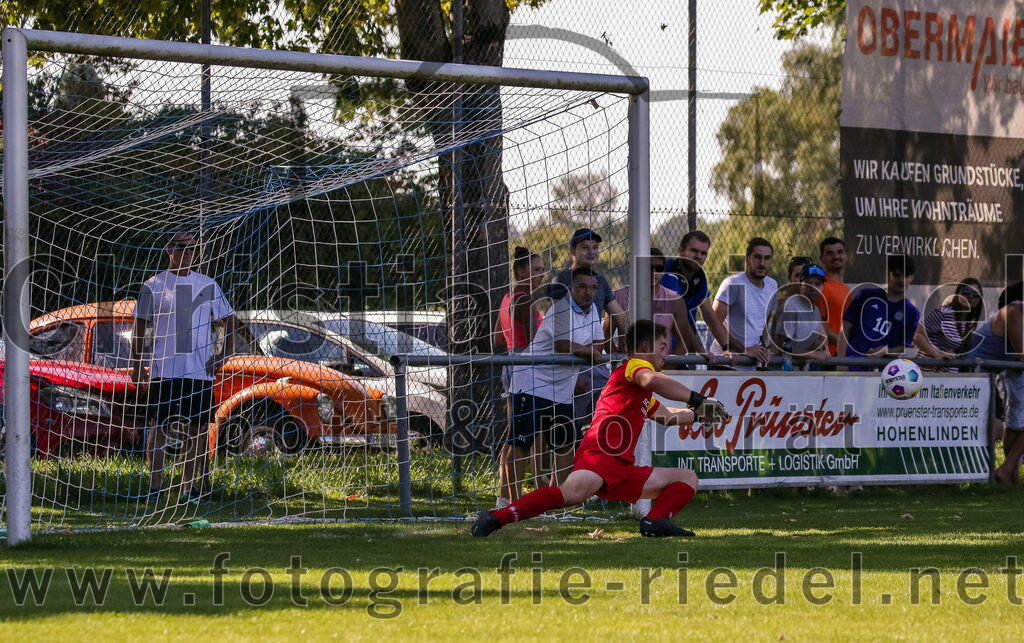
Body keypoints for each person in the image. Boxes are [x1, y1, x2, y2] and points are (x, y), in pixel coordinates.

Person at [472, 320, 730, 538]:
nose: (667, 354)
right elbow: (651, 379)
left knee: (687, 478)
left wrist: (698, 415)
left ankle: (655, 521)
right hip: (601, 454)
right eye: (663, 347)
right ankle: (496, 518)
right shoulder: (635, 367)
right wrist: (697, 399)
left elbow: (666, 415)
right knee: (570, 494)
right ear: (645, 347)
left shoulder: (640, 389)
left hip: (621, 467)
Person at [130, 231, 239, 504]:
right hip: (163, 371)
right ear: (169, 250)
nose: (187, 252)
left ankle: (188, 490)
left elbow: (231, 320)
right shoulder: (153, 285)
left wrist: (223, 354)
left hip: (199, 372)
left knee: (197, 430)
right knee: (158, 429)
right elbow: (139, 328)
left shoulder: (207, 285)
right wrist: (136, 365)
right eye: (181, 247)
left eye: (191, 248)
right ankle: (155, 488)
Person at [502, 268, 608, 503]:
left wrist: (591, 350)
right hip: (532, 383)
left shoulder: (591, 313)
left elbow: (600, 342)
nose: (587, 292)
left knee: (564, 447)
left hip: (561, 390)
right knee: (520, 444)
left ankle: (552, 502)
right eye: (582, 286)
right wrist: (588, 351)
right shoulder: (561, 309)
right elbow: (563, 346)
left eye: (592, 288)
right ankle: (514, 503)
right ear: (571, 288)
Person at [548, 228, 625, 434]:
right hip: (570, 361)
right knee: (565, 429)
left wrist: (638, 341)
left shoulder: (601, 282)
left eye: (595, 247)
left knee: (607, 415)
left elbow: (620, 316)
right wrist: (572, 373)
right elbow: (560, 333)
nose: (591, 251)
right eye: (585, 247)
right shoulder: (562, 280)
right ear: (573, 250)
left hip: (593, 360)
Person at [493, 246, 547, 505]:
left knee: (513, 436)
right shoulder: (525, 299)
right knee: (522, 440)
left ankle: (504, 499)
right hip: (526, 370)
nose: (541, 275)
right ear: (521, 271)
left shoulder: (507, 299)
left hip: (511, 366)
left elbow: (497, 341)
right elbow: (535, 343)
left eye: (543, 271)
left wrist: (513, 342)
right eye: (536, 270)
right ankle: (515, 501)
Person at [838, 255, 946, 370]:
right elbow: (845, 328)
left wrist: (885, 350)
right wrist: (841, 361)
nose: (901, 280)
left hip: (882, 372)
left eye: (906, 276)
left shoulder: (912, 313)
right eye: (897, 275)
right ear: (889, 274)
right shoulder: (865, 295)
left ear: (912, 277)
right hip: (851, 364)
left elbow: (901, 347)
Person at [971, 300, 1024, 484]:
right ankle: (1006, 469)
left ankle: (1009, 474)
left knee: (1015, 426)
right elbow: (1022, 354)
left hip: (1000, 371)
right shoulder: (1015, 311)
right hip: (973, 371)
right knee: (1001, 426)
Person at [709, 237, 777, 367]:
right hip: (725, 364)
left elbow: (764, 323)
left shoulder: (772, 285)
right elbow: (713, 322)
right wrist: (744, 350)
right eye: (757, 257)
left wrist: (764, 349)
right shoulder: (733, 283)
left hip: (752, 366)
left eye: (767, 258)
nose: (762, 263)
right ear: (747, 258)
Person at [608, 248, 690, 354]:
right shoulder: (618, 297)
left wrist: (666, 367)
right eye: (648, 267)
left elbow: (684, 343)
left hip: (663, 367)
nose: (653, 272)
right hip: (630, 366)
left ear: (664, 270)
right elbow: (606, 338)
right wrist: (619, 363)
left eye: (658, 268)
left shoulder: (675, 300)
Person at [660, 230, 730, 356]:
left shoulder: (700, 277)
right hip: (660, 349)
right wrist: (701, 350)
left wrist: (727, 348)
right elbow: (681, 318)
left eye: (703, 253)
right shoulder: (668, 273)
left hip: (680, 350)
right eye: (694, 251)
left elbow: (709, 314)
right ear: (681, 250)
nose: (699, 256)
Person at [914, 278, 983, 373]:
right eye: (966, 291)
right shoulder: (944, 313)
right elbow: (917, 335)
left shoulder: (967, 323)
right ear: (958, 293)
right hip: (927, 374)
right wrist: (938, 354)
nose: (970, 296)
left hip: (946, 380)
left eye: (976, 294)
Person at [771, 263, 832, 363]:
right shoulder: (790, 307)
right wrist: (814, 354)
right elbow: (781, 347)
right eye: (808, 283)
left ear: (823, 287)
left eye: (818, 284)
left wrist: (818, 347)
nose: (813, 288)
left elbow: (805, 344)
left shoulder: (815, 310)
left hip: (799, 370)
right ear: (800, 285)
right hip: (780, 371)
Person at [815, 237, 850, 356]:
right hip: (828, 355)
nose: (836, 257)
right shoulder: (820, 286)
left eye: (840, 252)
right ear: (821, 259)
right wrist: (843, 343)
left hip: (843, 353)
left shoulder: (844, 288)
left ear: (846, 256)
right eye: (830, 253)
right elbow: (818, 323)